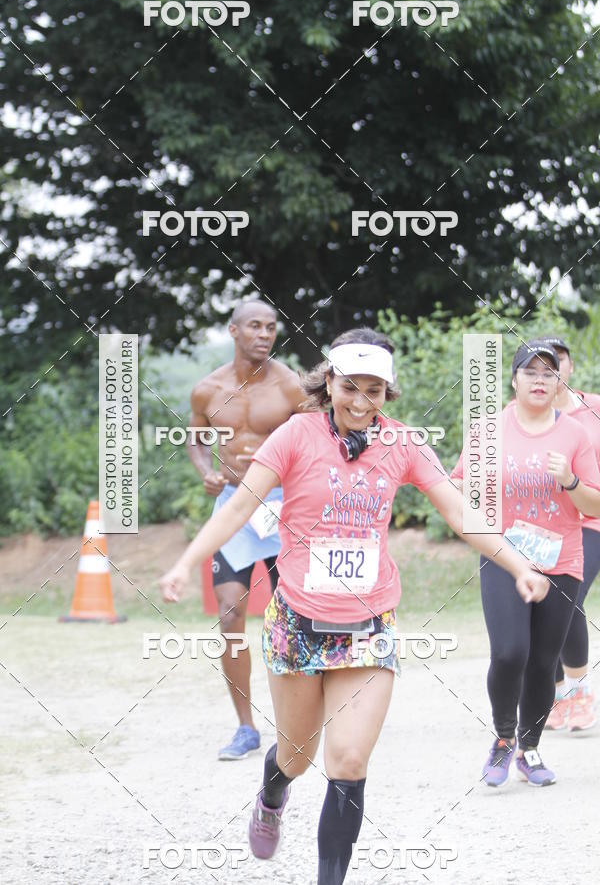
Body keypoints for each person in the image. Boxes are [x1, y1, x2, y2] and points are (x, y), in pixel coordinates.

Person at [161, 328, 549, 884]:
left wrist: (519, 565)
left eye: (374, 390)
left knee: (347, 762)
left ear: (388, 392)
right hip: (296, 619)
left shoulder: (403, 444)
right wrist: (186, 561)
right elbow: (239, 507)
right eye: (350, 387)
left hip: (369, 625)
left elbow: (461, 513)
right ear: (328, 383)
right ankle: (272, 796)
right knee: (296, 756)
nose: (361, 402)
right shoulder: (296, 435)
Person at [451, 339, 600, 787]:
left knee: (541, 662)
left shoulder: (576, 433)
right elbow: (458, 490)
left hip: (562, 560)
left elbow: (594, 501)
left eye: (548, 373)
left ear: (559, 383)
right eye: (530, 372)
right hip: (504, 556)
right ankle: (502, 740)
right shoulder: (487, 431)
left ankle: (530, 749)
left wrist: (569, 480)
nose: (539, 380)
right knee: (510, 651)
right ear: (513, 380)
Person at [186, 299, 306, 759]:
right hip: (233, 505)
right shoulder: (207, 390)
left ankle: (298, 721)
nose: (265, 334)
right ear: (233, 331)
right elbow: (196, 437)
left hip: (283, 506)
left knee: (292, 617)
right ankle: (245, 728)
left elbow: (316, 438)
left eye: (272, 327)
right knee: (230, 614)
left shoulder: (291, 386)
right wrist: (205, 472)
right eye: (255, 326)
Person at [537, 336, 600, 732]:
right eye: (541, 366)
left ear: (570, 367)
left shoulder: (594, 408)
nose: (550, 372)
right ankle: (558, 691)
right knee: (550, 602)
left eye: (557, 363)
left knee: (569, 593)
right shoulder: (528, 414)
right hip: (545, 525)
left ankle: (577, 690)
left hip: (592, 518)